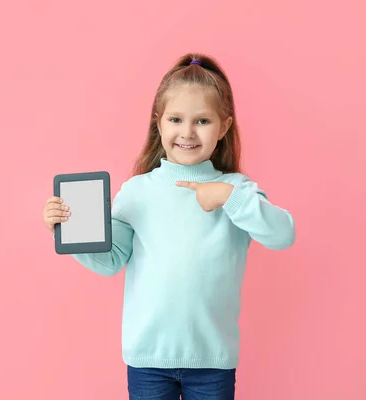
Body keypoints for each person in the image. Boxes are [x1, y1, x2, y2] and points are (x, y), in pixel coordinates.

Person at [42, 53, 295, 400]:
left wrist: (229, 197)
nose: (187, 132)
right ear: (159, 124)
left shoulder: (236, 190)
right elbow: (111, 259)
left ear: (223, 127)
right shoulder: (137, 191)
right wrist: (67, 232)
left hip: (212, 361)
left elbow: (283, 234)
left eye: (202, 121)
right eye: (176, 119)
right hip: (148, 359)